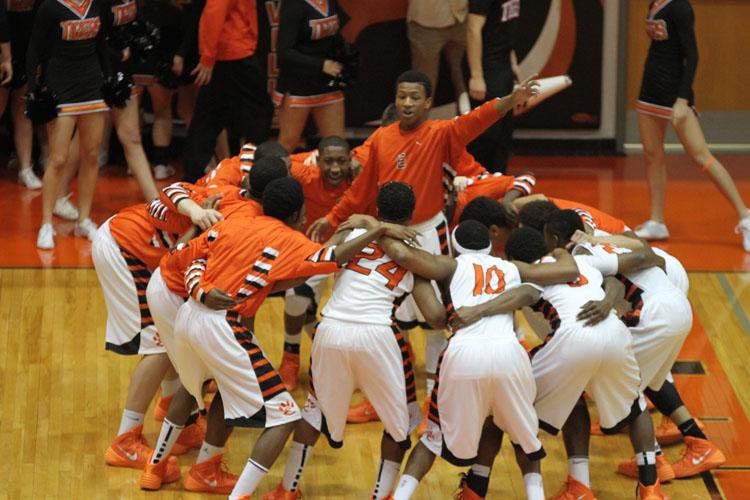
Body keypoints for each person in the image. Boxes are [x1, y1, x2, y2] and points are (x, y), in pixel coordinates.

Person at [308, 70, 539, 414]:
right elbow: (361, 191)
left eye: (415, 97)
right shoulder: (382, 138)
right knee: (392, 317)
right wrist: (332, 218)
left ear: (429, 103)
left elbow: (477, 119)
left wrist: (508, 100)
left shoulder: (441, 132)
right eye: (402, 96)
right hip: (389, 235)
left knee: (436, 319)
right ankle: (381, 395)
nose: (407, 103)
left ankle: (435, 395)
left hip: (430, 235)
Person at [383, 220, 580, 500]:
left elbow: (404, 257)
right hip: (509, 355)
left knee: (433, 438)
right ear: (490, 246)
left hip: (464, 355)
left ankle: (401, 497)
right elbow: (569, 269)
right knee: (524, 437)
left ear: (454, 247)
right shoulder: (513, 267)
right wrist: (562, 250)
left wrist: (378, 230)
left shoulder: (450, 266)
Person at [139, 158, 290, 494]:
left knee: (195, 383)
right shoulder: (261, 226)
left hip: (172, 284)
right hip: (190, 295)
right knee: (223, 382)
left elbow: (163, 197)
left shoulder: (224, 193)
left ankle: (155, 465)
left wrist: (192, 216)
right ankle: (206, 470)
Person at [265, 182, 424, 500]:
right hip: (378, 334)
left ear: (377, 210)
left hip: (332, 328)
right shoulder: (414, 254)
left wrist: (365, 224)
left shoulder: (350, 235)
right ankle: (381, 496)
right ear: (411, 215)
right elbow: (433, 315)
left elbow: (316, 267)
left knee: (314, 411)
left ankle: (287, 490)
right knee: (400, 424)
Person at [547, 211, 726, 482]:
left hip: (653, 309)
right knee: (650, 380)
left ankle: (655, 462)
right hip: (676, 301)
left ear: (556, 238)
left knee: (614, 378)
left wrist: (607, 303)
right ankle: (698, 443)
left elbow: (620, 278)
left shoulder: (583, 257)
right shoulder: (603, 237)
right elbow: (643, 250)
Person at [500, 225, 666, 499]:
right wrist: (608, 301)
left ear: (514, 257)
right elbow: (613, 280)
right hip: (614, 332)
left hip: (572, 339)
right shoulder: (580, 261)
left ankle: (560, 488)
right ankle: (651, 488)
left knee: (517, 408)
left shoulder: (523, 274)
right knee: (635, 406)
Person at [94, 196, 214, 477]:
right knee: (158, 346)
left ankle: (175, 414)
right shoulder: (224, 202)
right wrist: (194, 212)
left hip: (149, 251)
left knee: (174, 329)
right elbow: (170, 192)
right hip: (124, 247)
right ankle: (125, 441)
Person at [633, 0, 750, 250]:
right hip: (649, 91)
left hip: (674, 94)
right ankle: (657, 221)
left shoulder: (680, 7)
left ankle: (746, 216)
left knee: (702, 157)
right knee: (653, 156)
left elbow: (692, 55)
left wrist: (682, 100)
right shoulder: (653, 4)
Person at [278, 136, 366, 391]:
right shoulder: (303, 172)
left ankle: (350, 363)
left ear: (351, 160)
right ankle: (290, 358)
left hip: (353, 252)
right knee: (296, 300)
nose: (335, 168)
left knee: (351, 314)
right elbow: (272, 159)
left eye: (341, 161)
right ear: (317, 160)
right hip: (314, 249)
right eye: (328, 162)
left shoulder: (362, 175)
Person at [27, 0, 111, 249]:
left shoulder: (98, 3)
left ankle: (83, 220)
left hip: (92, 86)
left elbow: (101, 44)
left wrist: (108, 78)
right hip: (60, 86)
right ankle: (45, 224)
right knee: (59, 159)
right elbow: (34, 48)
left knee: (92, 155)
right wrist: (34, 87)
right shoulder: (50, 7)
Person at [182, 0, 272, 183]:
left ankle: (191, 178)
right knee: (259, 115)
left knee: (208, 119)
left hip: (231, 54)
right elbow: (213, 13)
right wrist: (207, 58)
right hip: (234, 56)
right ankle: (262, 177)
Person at [105, 0, 160, 200]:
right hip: (98, 71)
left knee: (132, 138)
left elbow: (134, 25)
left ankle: (155, 203)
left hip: (122, 71)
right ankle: (57, 196)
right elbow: (91, 34)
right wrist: (115, 52)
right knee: (85, 147)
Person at [275, 0, 345, 152]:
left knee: (337, 145)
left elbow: (335, 36)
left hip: (327, 84)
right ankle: (275, 175)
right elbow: (284, 52)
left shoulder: (330, 2)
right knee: (287, 144)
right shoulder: (293, 5)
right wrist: (321, 65)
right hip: (298, 86)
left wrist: (344, 58)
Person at [466, 0, 521, 173]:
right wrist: (476, 75)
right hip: (488, 68)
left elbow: (505, 25)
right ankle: (475, 184)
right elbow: (472, 29)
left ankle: (498, 183)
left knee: (503, 134)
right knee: (485, 136)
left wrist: (512, 62)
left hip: (503, 67)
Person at [1, 0, 41, 189]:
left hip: (25, 46)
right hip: (3, 51)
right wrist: (5, 56)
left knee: (23, 111)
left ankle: (25, 168)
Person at [406, 0, 469, 114]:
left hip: (462, 20)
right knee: (423, 87)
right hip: (425, 24)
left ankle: (471, 128)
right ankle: (421, 130)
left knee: (467, 81)